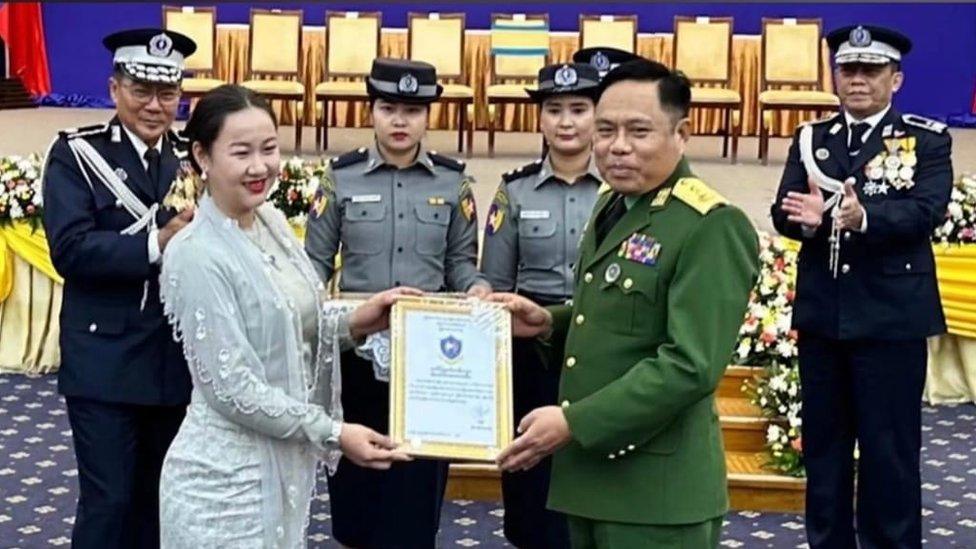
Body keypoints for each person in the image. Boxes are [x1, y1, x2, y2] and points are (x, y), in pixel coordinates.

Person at [489, 59, 759, 549]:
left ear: (682, 134)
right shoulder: (613, 204)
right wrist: (547, 323)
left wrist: (574, 421)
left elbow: (690, 365)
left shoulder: (709, 225)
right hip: (593, 484)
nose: (617, 147)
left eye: (639, 132)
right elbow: (618, 318)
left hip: (655, 493)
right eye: (606, 129)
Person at [157, 84, 414, 548]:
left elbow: (292, 324)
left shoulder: (271, 222)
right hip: (222, 484)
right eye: (241, 152)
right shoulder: (195, 254)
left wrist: (361, 319)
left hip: (282, 467)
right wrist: (334, 433)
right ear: (202, 155)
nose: (260, 167)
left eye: (269, 149)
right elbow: (232, 387)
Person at [772, 25, 952, 549]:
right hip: (824, 316)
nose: (857, 80)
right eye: (848, 69)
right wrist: (804, 222)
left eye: (870, 71)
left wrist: (863, 217)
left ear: (895, 79)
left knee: (888, 452)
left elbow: (926, 211)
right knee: (824, 451)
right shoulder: (812, 139)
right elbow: (786, 210)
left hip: (890, 318)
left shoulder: (925, 138)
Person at [304, 57, 491, 548]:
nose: (400, 121)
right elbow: (313, 269)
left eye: (413, 110)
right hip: (357, 353)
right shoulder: (339, 179)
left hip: (429, 363)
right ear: (372, 111)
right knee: (356, 495)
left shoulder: (454, 184)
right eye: (389, 108)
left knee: (416, 495)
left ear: (430, 116)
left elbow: (461, 265)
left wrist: (476, 289)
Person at [41, 28, 197, 549]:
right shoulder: (76, 155)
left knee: (164, 499)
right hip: (104, 359)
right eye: (141, 91)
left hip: (174, 360)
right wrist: (157, 242)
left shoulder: (191, 159)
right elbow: (71, 250)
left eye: (167, 94)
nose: (155, 106)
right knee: (109, 503)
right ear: (114, 90)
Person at [481, 61, 603, 549]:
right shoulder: (514, 190)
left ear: (598, 114)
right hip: (530, 350)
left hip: (601, 344)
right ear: (540, 119)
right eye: (554, 110)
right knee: (532, 476)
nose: (567, 121)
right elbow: (492, 278)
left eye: (579, 109)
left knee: (595, 466)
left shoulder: (622, 190)